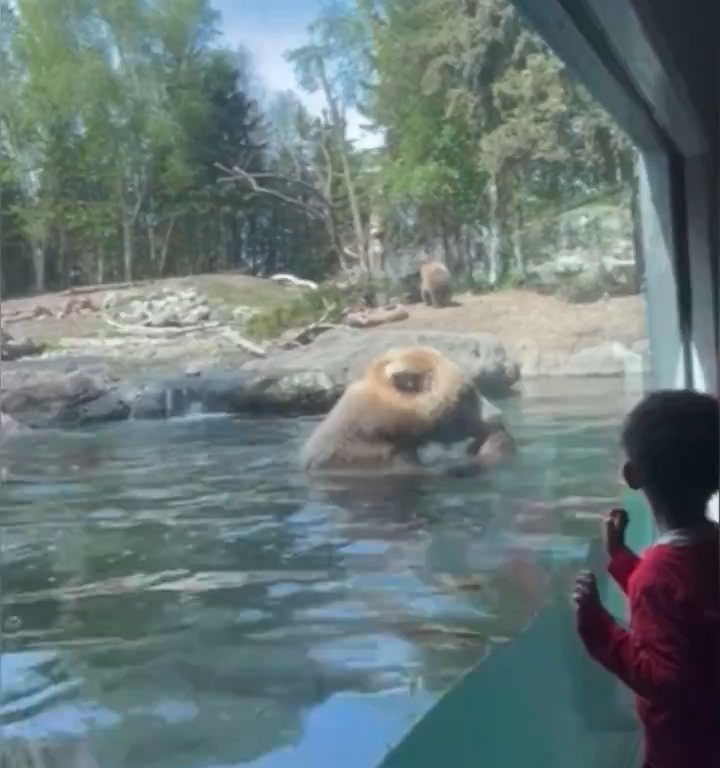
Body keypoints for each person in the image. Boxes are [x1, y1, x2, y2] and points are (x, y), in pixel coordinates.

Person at [572, 389, 719, 768]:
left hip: (681, 753)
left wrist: (598, 628)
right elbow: (685, 605)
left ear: (631, 475)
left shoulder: (655, 577)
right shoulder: (708, 549)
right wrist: (623, 561)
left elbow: (664, 678)